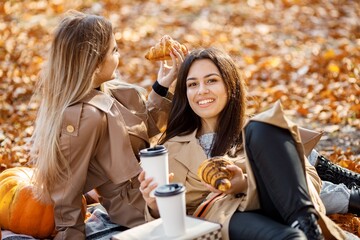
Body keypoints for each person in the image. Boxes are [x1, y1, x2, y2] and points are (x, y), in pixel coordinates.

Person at [138, 47, 348, 239]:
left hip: (281, 204)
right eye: (192, 84)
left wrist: (247, 183)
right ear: (185, 93)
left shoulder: (260, 131)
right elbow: (165, 224)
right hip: (225, 217)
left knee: (262, 125)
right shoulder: (172, 147)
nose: (201, 90)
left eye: (211, 80)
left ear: (230, 85)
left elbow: (309, 177)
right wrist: (155, 206)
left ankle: (307, 225)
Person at [29, 10, 184, 239]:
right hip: (138, 208)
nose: (118, 56)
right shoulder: (83, 117)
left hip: (155, 182)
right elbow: (66, 189)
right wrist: (70, 234)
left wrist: (163, 84)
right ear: (93, 63)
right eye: (114, 50)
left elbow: (142, 126)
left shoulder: (110, 91)